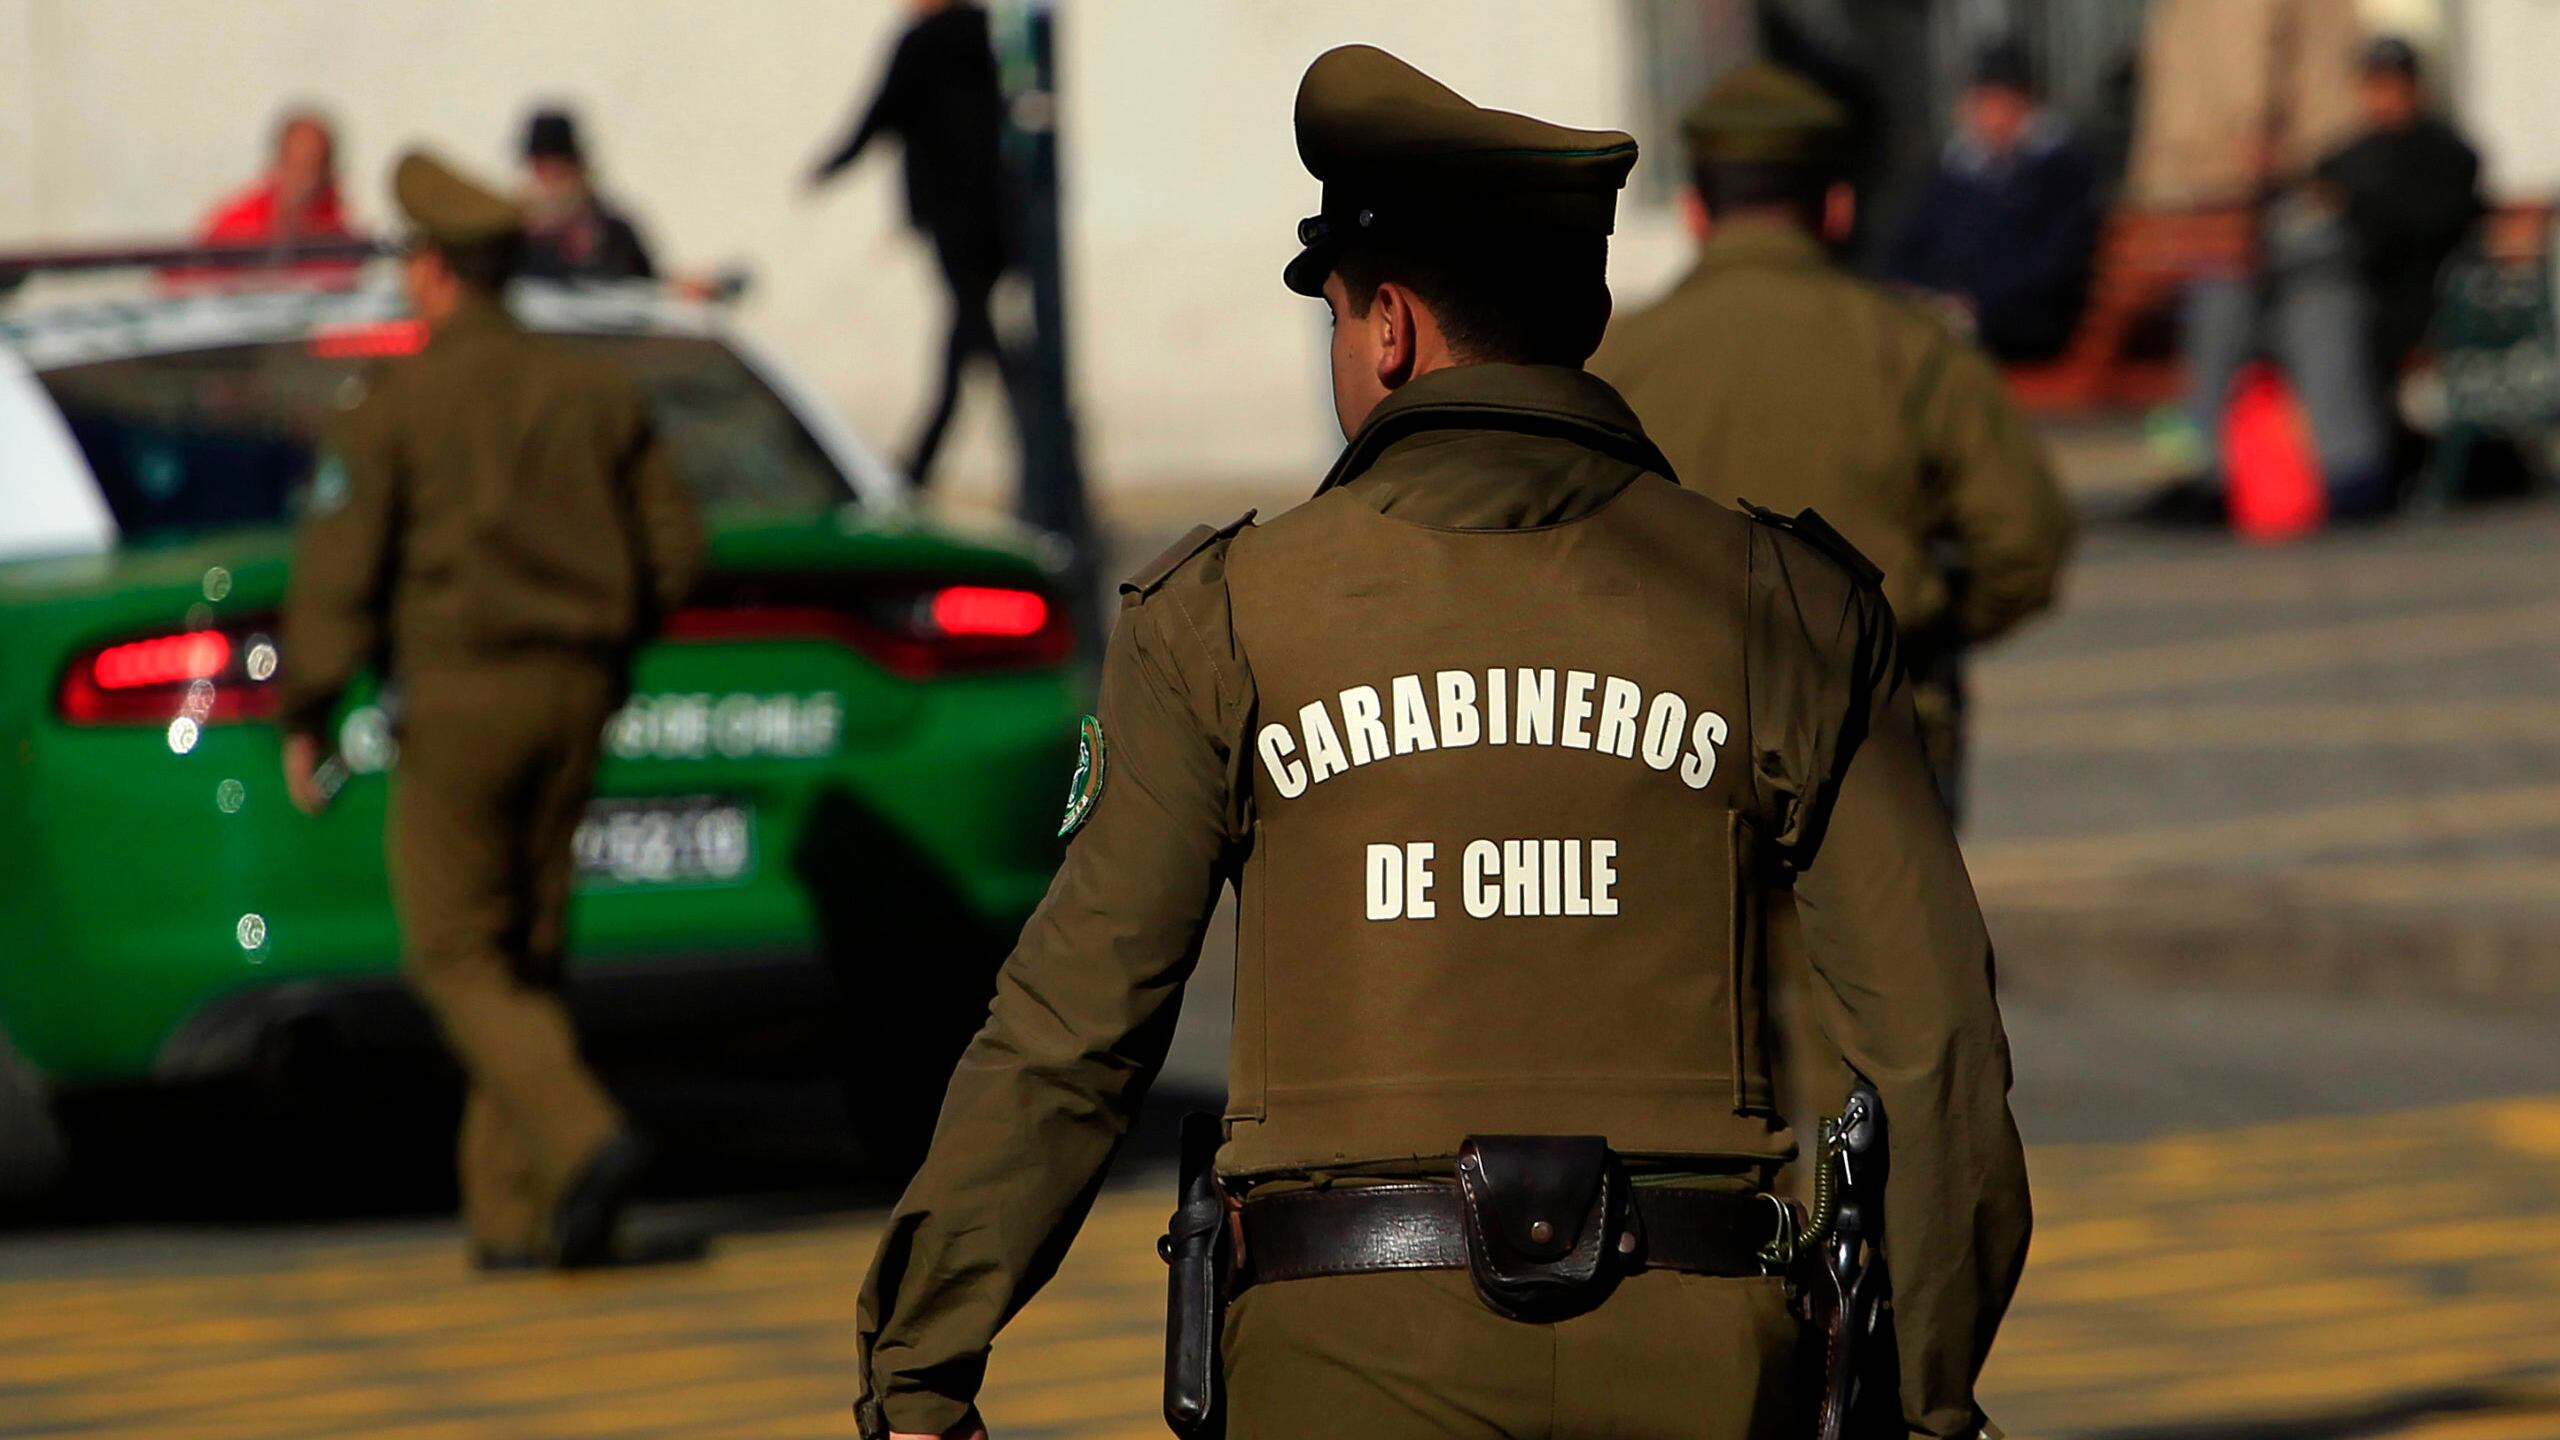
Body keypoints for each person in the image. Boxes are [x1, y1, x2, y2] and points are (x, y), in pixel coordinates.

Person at [852, 45, 2028, 1440]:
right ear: (1586, 309)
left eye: (1338, 318)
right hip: (1707, 1363)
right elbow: (1938, 1047)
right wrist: (1930, 1398)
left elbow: (1073, 1032)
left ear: (1390, 331)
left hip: (1338, 1363)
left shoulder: (1220, 619)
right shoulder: (1792, 607)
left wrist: (921, 1362)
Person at [276, 150, 701, 1270]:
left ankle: (583, 1137)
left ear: (431, 272)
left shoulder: (397, 401)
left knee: (455, 954)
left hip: (461, 692)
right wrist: (610, 643)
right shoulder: (591, 388)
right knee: (525, 947)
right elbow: (675, 546)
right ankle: (513, 1214)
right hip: (577, 689)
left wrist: (306, 707)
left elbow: (340, 570)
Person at [1595, 62, 2074, 821]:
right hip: (1879, 743)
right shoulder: (1918, 351)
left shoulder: (1614, 362)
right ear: (1839, 209)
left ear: (1693, 210)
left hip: (1667, 749)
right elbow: (2023, 544)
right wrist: (1922, 630)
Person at [2123, 0, 2394, 522]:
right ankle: (2347, 472)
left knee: (2228, 319)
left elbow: (2245, 46)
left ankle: (2214, 478)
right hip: (2312, 168)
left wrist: (2247, 134)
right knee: (2316, 317)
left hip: (2247, 184)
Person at [808, 0, 1021, 489]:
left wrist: (830, 166)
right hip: (995, 217)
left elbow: (880, 112)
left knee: (976, 331)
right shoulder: (989, 35)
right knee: (968, 333)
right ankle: (925, 462)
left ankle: (938, 460)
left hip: (951, 215)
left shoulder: (921, 43)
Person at [1884, 41, 2102, 363]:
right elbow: (1905, 249)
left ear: (2026, 103)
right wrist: (1919, 293)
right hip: (1950, 315)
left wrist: (1976, 304)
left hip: (2022, 324)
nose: (1988, 113)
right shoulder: (1953, 172)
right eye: (1982, 101)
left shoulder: (2060, 171)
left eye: (1999, 100)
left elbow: (2056, 265)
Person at [2314, 37, 2484, 397]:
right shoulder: (2344, 159)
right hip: (2365, 303)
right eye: (2377, 85)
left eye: (2396, 84)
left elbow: (2437, 225)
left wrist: (2365, 208)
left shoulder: (2448, 154)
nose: (2387, 96)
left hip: (2432, 300)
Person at [517, 108, 659, 283]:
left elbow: (648, 288)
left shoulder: (615, 233)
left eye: (560, 172)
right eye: (543, 172)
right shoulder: (514, 239)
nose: (552, 185)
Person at [199, 108, 355, 248]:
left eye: (314, 167)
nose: (305, 181)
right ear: (279, 163)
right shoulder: (236, 226)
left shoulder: (336, 229)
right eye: (296, 166)